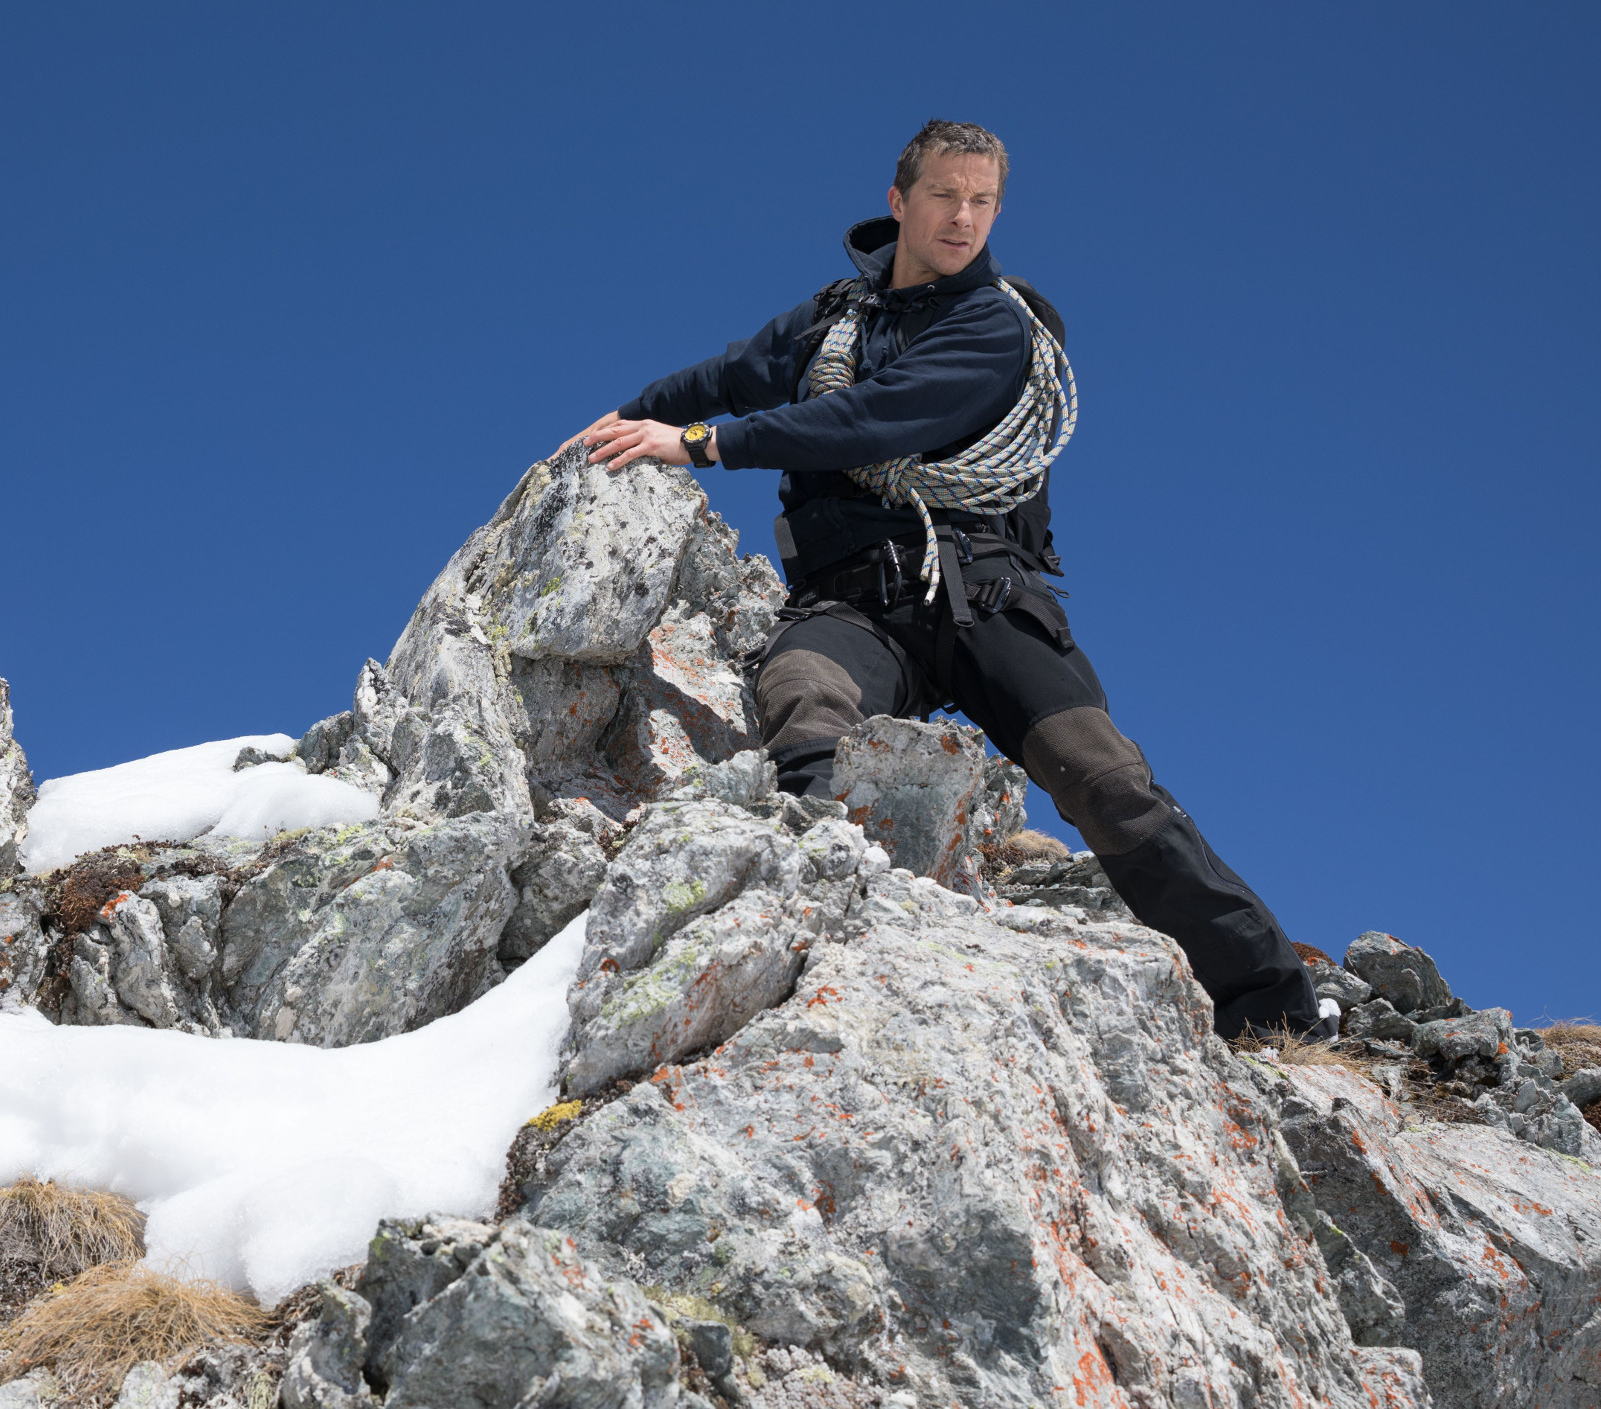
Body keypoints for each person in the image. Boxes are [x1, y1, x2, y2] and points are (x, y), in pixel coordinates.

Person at [558, 120, 1323, 1039]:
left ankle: (1274, 1005)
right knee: (805, 701)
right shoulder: (832, 319)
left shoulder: (995, 325)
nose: (965, 218)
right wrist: (625, 419)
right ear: (899, 201)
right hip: (853, 599)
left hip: (983, 592)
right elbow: (730, 374)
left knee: (1106, 781)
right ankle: (827, 952)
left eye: (983, 200)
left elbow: (872, 420)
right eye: (946, 196)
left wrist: (703, 445)